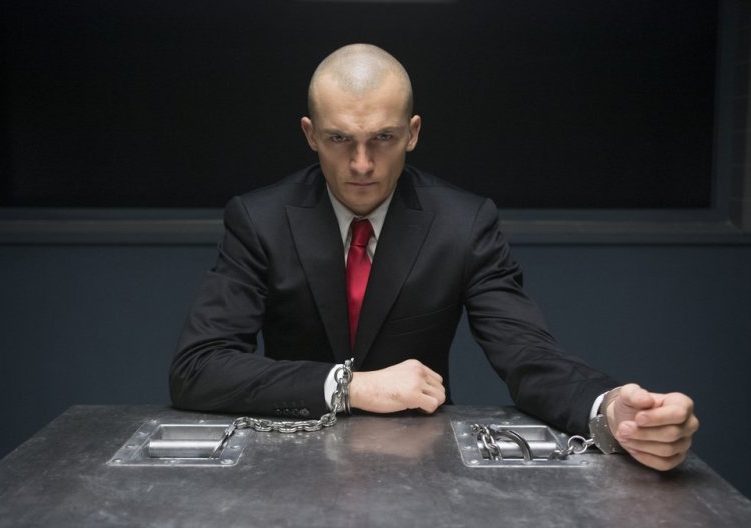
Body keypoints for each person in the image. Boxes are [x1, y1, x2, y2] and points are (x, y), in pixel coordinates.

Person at [170, 43, 699, 471]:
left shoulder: (463, 224)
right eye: (339, 139)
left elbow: (527, 353)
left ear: (413, 133)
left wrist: (610, 411)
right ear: (311, 135)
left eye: (383, 138)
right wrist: (351, 386)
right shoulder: (258, 219)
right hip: (287, 462)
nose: (361, 163)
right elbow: (199, 368)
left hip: (422, 468)